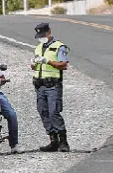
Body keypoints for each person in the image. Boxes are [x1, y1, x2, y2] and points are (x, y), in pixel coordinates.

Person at [30, 23, 70, 152]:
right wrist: (33, 64)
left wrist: (48, 61)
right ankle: (53, 140)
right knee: (43, 111)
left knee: (54, 112)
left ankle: (63, 141)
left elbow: (64, 65)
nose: (41, 38)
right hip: (40, 85)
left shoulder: (59, 47)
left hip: (53, 85)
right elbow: (36, 66)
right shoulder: (38, 48)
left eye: (43, 35)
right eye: (39, 36)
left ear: (49, 32)